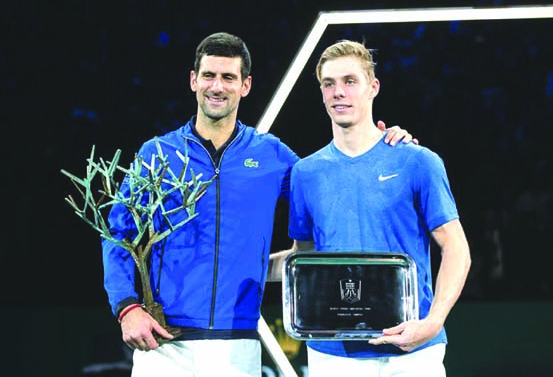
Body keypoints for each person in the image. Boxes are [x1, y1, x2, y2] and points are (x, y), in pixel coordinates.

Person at [102, 32, 416, 377]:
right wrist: (126, 305)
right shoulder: (156, 154)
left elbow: (330, 179)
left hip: (239, 348)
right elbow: (118, 235)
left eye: (228, 78)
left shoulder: (271, 155)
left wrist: (381, 145)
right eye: (208, 76)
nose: (217, 87)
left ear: (245, 85)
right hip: (164, 346)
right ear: (193, 80)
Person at [269, 39, 472, 376]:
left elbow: (457, 248)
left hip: (411, 351)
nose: (339, 92)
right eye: (329, 84)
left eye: (350, 82)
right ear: (321, 92)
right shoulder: (305, 173)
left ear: (372, 87)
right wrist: (242, 265)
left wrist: (434, 322)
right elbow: (303, 259)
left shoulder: (417, 161)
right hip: (333, 355)